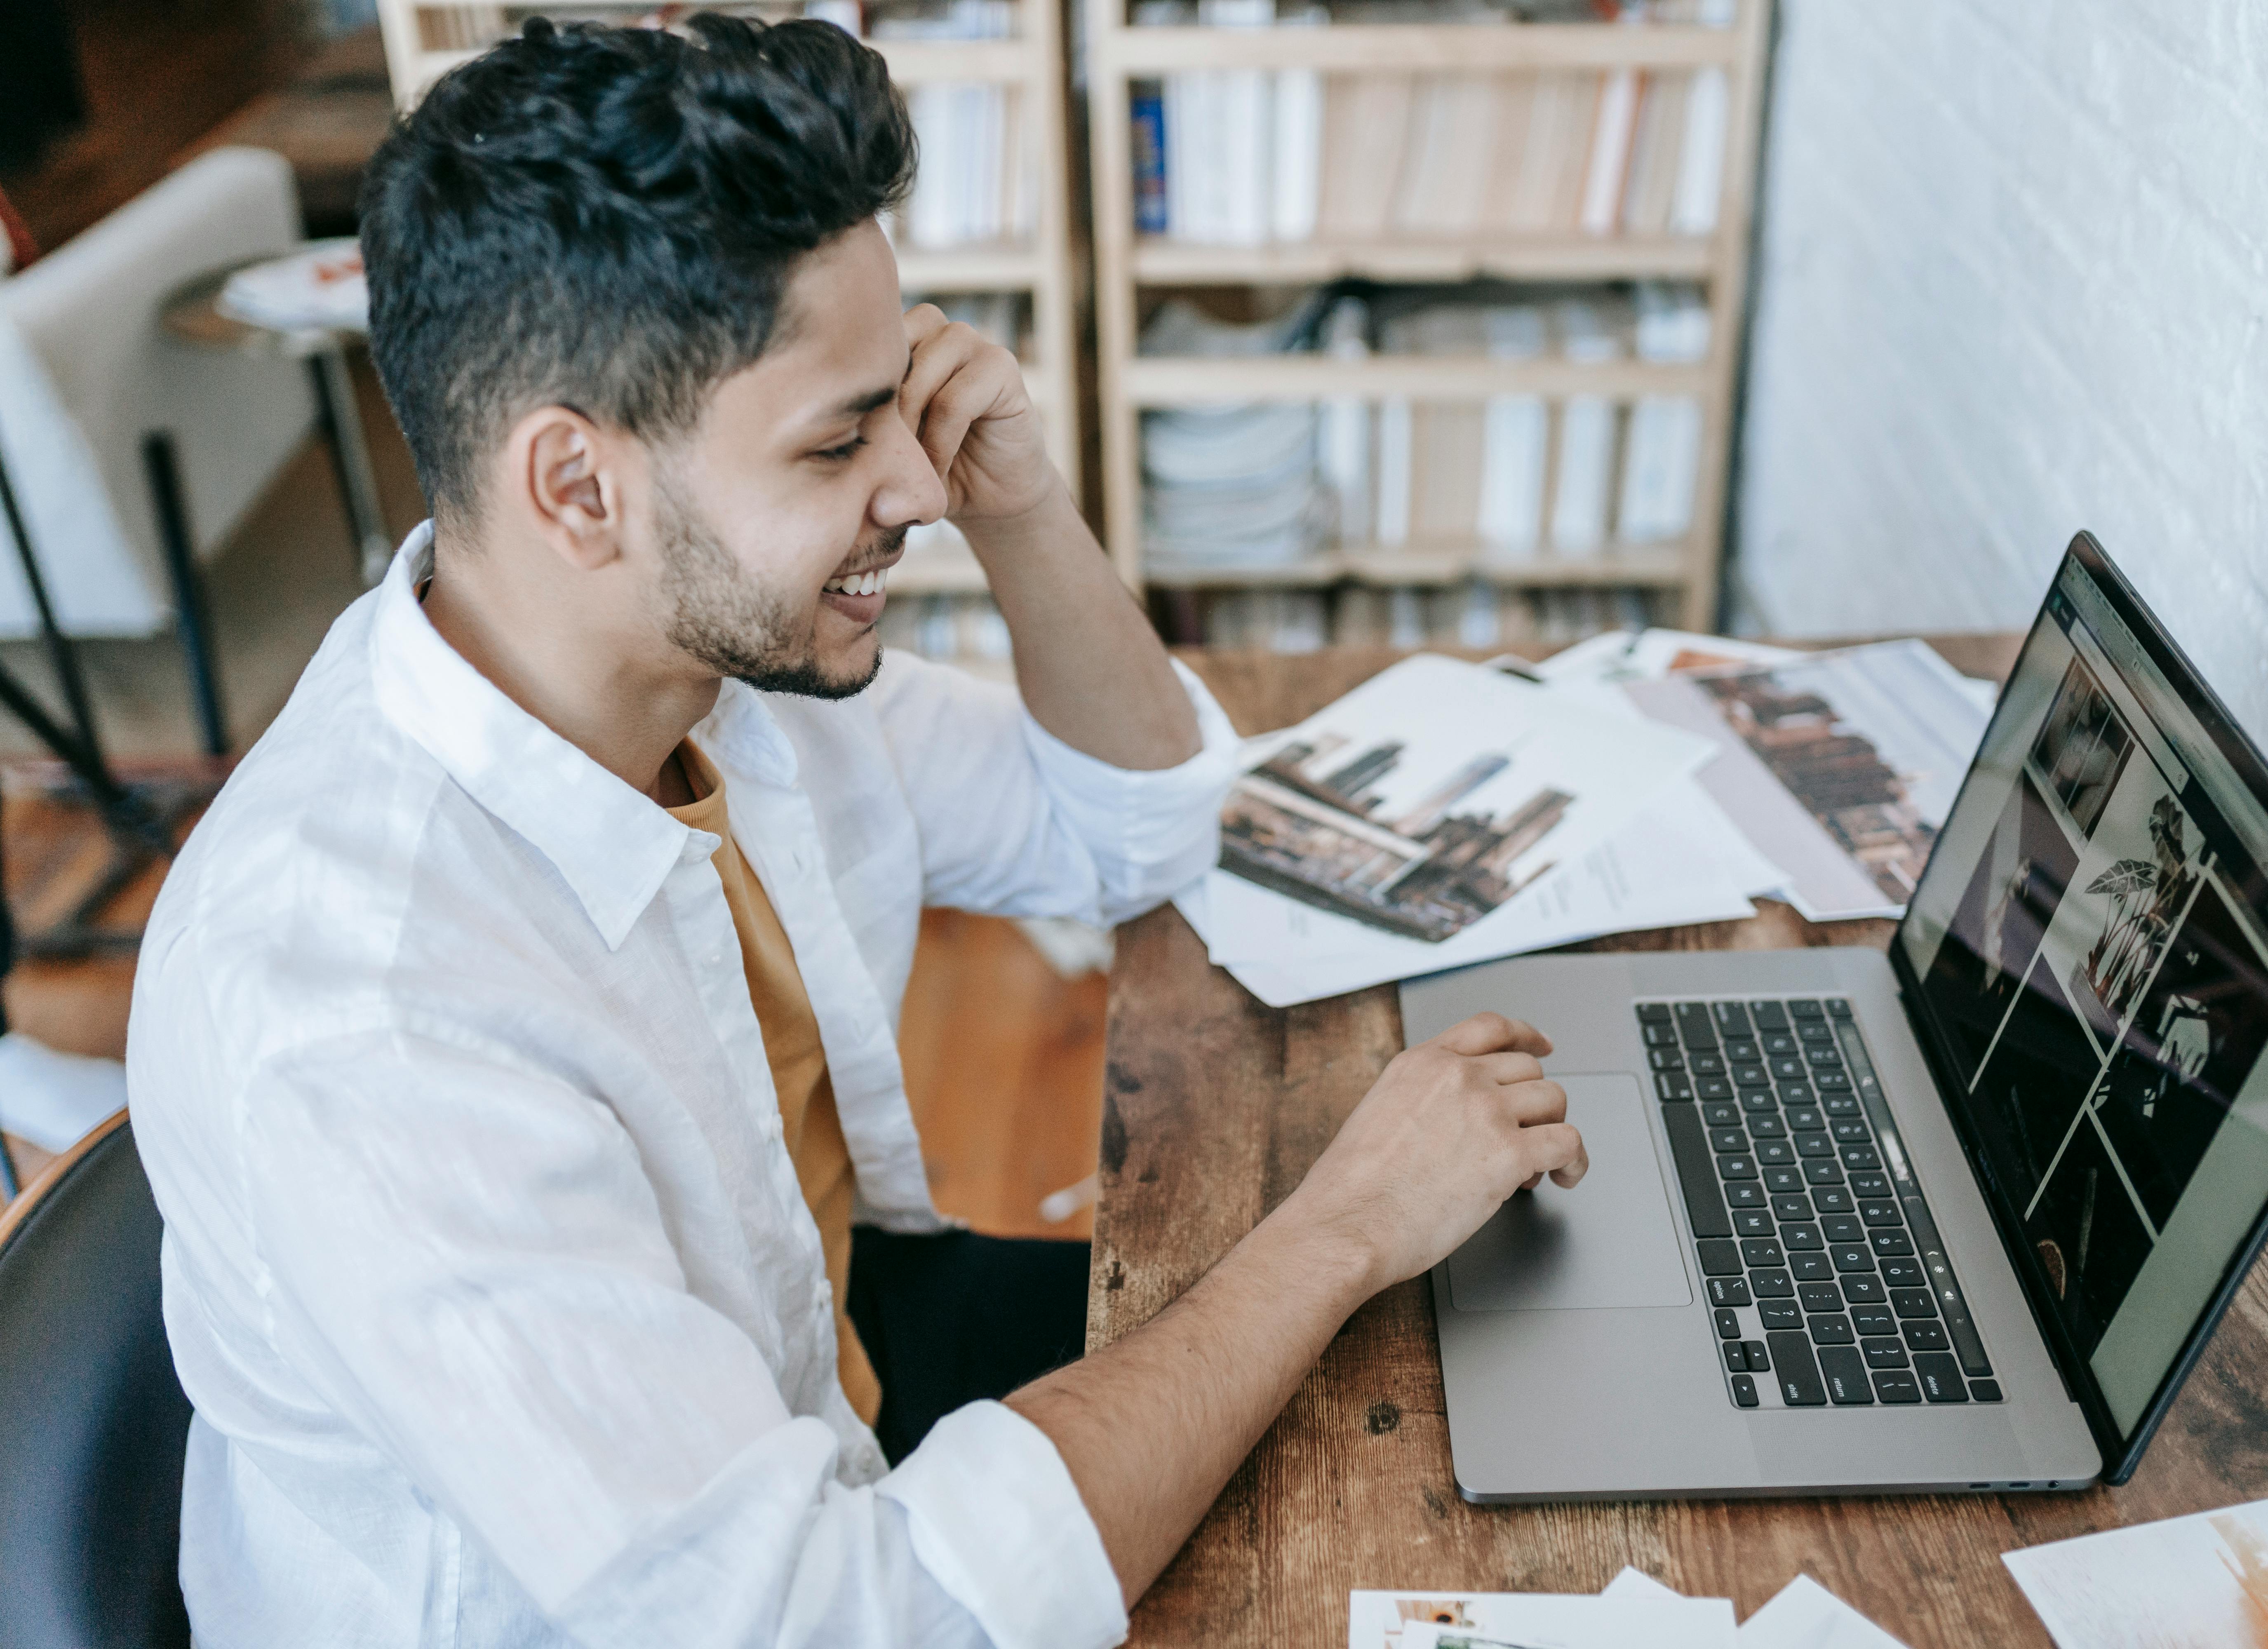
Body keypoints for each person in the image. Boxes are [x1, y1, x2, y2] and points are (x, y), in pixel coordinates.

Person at [125, 16, 1586, 1647]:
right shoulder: (369, 1013)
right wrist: (1343, 1223)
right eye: (839, 439)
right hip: (711, 1599)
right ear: (578, 491)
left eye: (901, 403)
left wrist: (1027, 503)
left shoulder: (712, 660)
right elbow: (838, 1620)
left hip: (821, 1345)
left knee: (1474, 1354)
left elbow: (1148, 834)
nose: (916, 481)